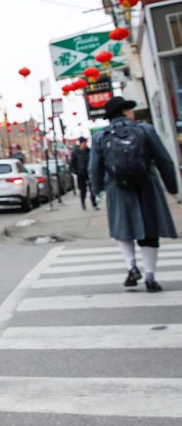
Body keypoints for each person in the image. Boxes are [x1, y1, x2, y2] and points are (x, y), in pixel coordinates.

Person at [89, 96, 179, 292]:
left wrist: (98, 190)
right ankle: (150, 276)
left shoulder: (100, 136)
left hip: (117, 187)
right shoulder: (144, 130)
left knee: (123, 227)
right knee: (150, 230)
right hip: (147, 184)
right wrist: (172, 187)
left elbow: (94, 167)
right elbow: (163, 160)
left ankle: (131, 267)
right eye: (130, 110)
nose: (132, 113)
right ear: (124, 112)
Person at [70, 136, 98, 210]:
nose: (84, 144)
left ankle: (94, 204)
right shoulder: (75, 152)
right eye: (83, 143)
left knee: (92, 189)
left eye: (85, 142)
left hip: (89, 172)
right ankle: (83, 203)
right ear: (80, 143)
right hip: (80, 173)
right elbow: (72, 163)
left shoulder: (89, 151)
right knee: (83, 190)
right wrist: (75, 171)